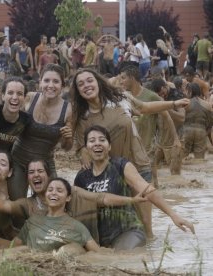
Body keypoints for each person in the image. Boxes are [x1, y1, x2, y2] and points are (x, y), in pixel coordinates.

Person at [71, 68, 190, 238]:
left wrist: (173, 104)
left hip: (138, 164)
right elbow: (80, 142)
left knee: (146, 227)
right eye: (80, 84)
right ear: (78, 91)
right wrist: (81, 151)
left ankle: (146, 258)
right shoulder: (82, 116)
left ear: (98, 82)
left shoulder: (120, 98)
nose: (86, 85)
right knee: (118, 227)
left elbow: (144, 107)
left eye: (89, 80)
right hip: (111, 175)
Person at [74, 125, 195, 250]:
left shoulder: (121, 166)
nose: (97, 143)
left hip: (127, 231)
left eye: (102, 140)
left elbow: (148, 190)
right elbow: (75, 208)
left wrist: (173, 215)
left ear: (109, 146)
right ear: (87, 148)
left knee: (124, 257)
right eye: (92, 141)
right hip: (96, 236)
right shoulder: (82, 177)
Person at [0, 159, 148, 242]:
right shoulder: (28, 205)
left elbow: (101, 198)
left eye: (40, 171)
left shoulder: (71, 191)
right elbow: (6, 205)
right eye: (31, 173)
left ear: (49, 176)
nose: (36, 175)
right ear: (28, 180)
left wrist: (131, 199)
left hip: (91, 242)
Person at [0, 177, 101, 253]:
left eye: (59, 190)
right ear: (46, 197)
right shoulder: (33, 221)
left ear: (68, 198)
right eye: (50, 190)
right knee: (23, 250)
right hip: (27, 263)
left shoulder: (77, 227)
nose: (53, 193)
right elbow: (12, 247)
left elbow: (98, 253)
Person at [10, 64, 73, 201]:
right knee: (17, 203)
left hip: (45, 164)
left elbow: (66, 147)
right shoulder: (29, 99)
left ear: (62, 85)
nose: (50, 85)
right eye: (46, 80)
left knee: (54, 200)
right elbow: (10, 122)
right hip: (18, 160)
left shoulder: (68, 110)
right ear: (40, 83)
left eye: (56, 81)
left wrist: (68, 138)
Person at [182, 83, 213, 159]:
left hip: (186, 131)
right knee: (199, 160)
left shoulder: (185, 104)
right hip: (201, 132)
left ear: (190, 91)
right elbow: (210, 123)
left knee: (182, 157)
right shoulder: (207, 105)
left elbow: (180, 119)